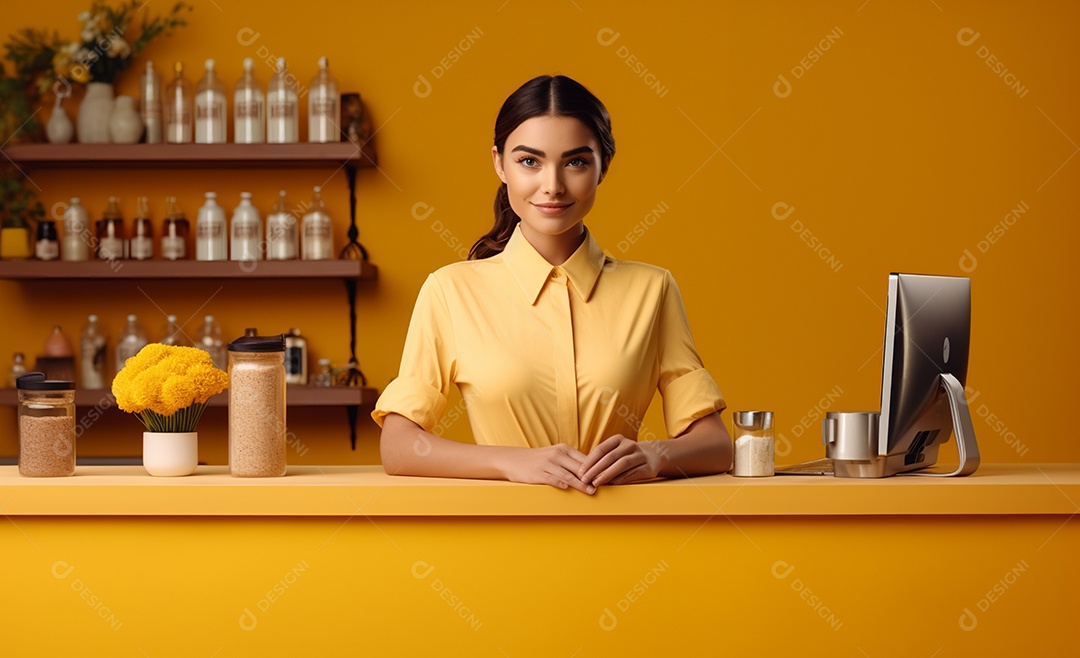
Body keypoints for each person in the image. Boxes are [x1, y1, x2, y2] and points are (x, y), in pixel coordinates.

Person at [373, 75, 731, 494]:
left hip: (629, 536)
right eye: (530, 161)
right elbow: (398, 446)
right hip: (506, 538)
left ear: (603, 166)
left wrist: (654, 456)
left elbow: (716, 445)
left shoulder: (653, 290)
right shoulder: (450, 292)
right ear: (499, 163)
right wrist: (512, 462)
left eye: (576, 162)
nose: (553, 186)